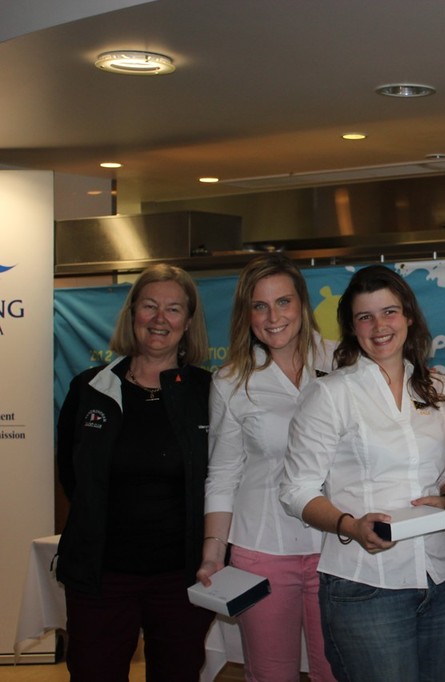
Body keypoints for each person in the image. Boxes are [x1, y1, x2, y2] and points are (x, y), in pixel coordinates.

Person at [279, 265, 445, 682]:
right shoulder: (330, 394)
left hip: (441, 578)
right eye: (365, 317)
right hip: (366, 586)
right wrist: (350, 524)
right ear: (352, 328)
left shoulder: (436, 386)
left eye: (389, 312)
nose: (379, 326)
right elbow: (295, 490)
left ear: (409, 317)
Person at [56, 264, 214, 680]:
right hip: (100, 578)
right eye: (149, 306)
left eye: (174, 309)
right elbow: (72, 477)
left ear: (188, 322)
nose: (160, 318)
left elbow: (221, 478)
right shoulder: (89, 388)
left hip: (180, 580)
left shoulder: (209, 393)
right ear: (132, 315)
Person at [197, 254, 334, 681]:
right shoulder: (232, 381)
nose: (273, 317)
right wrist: (212, 553)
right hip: (262, 550)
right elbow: (222, 473)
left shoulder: (346, 363)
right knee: (270, 674)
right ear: (247, 314)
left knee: (337, 671)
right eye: (260, 306)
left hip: (336, 547)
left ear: (302, 304)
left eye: (283, 302)